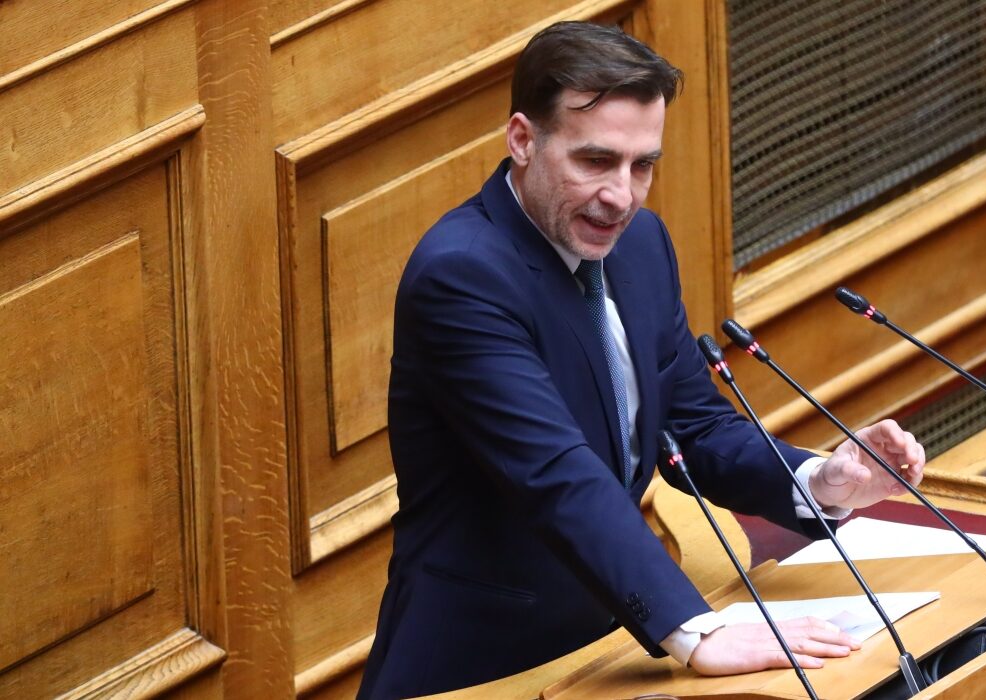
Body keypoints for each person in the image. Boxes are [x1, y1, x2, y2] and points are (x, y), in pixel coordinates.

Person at [358, 21, 925, 699]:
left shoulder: (640, 245)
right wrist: (697, 631)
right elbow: (555, 473)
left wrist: (821, 481)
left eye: (642, 166)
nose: (621, 195)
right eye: (596, 161)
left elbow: (693, 425)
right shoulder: (462, 275)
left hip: (615, 651)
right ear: (523, 140)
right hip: (484, 665)